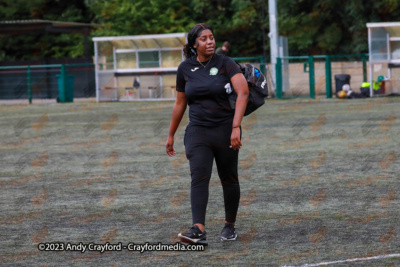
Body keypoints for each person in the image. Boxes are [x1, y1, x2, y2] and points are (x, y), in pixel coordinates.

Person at [166, 23, 249, 245]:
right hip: (198, 131)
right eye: (204, 39)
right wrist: (171, 134)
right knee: (199, 176)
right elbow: (180, 103)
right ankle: (198, 230)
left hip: (225, 130)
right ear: (195, 44)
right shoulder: (185, 68)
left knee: (229, 178)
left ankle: (229, 226)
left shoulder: (226, 63)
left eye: (212, 37)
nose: (210, 41)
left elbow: (243, 92)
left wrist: (236, 126)